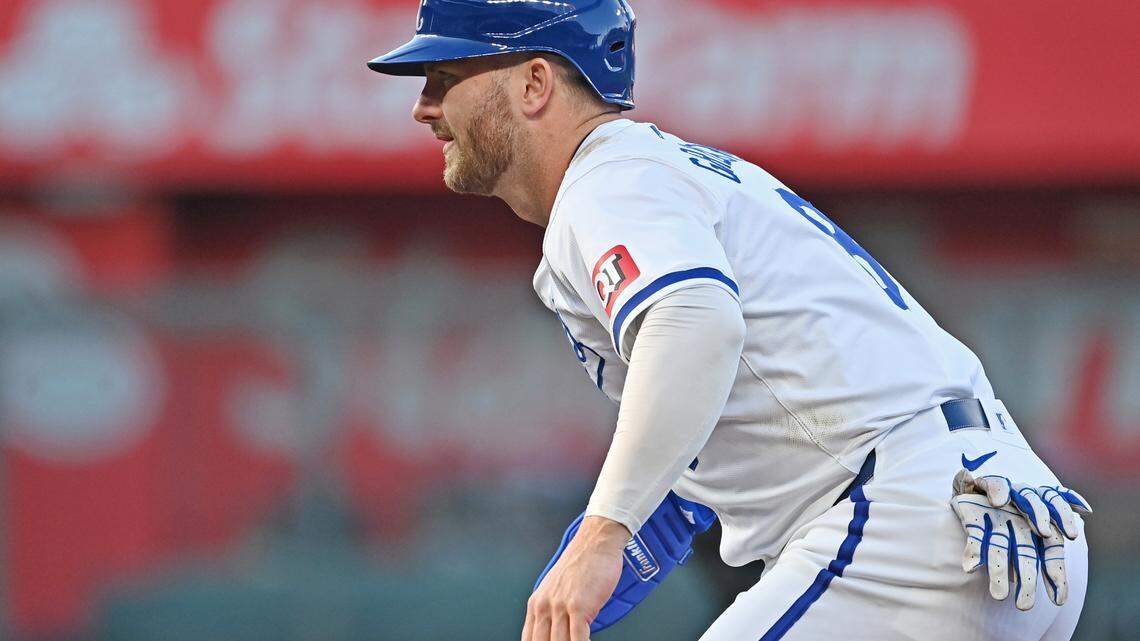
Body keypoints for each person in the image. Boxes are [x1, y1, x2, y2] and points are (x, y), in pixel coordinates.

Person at [366, 2, 1091, 640]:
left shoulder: (605, 180)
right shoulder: (654, 174)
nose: (423, 107)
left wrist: (601, 531)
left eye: (445, 77)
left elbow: (696, 323)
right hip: (993, 513)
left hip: (903, 520)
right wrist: (576, 579)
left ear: (533, 84)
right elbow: (690, 465)